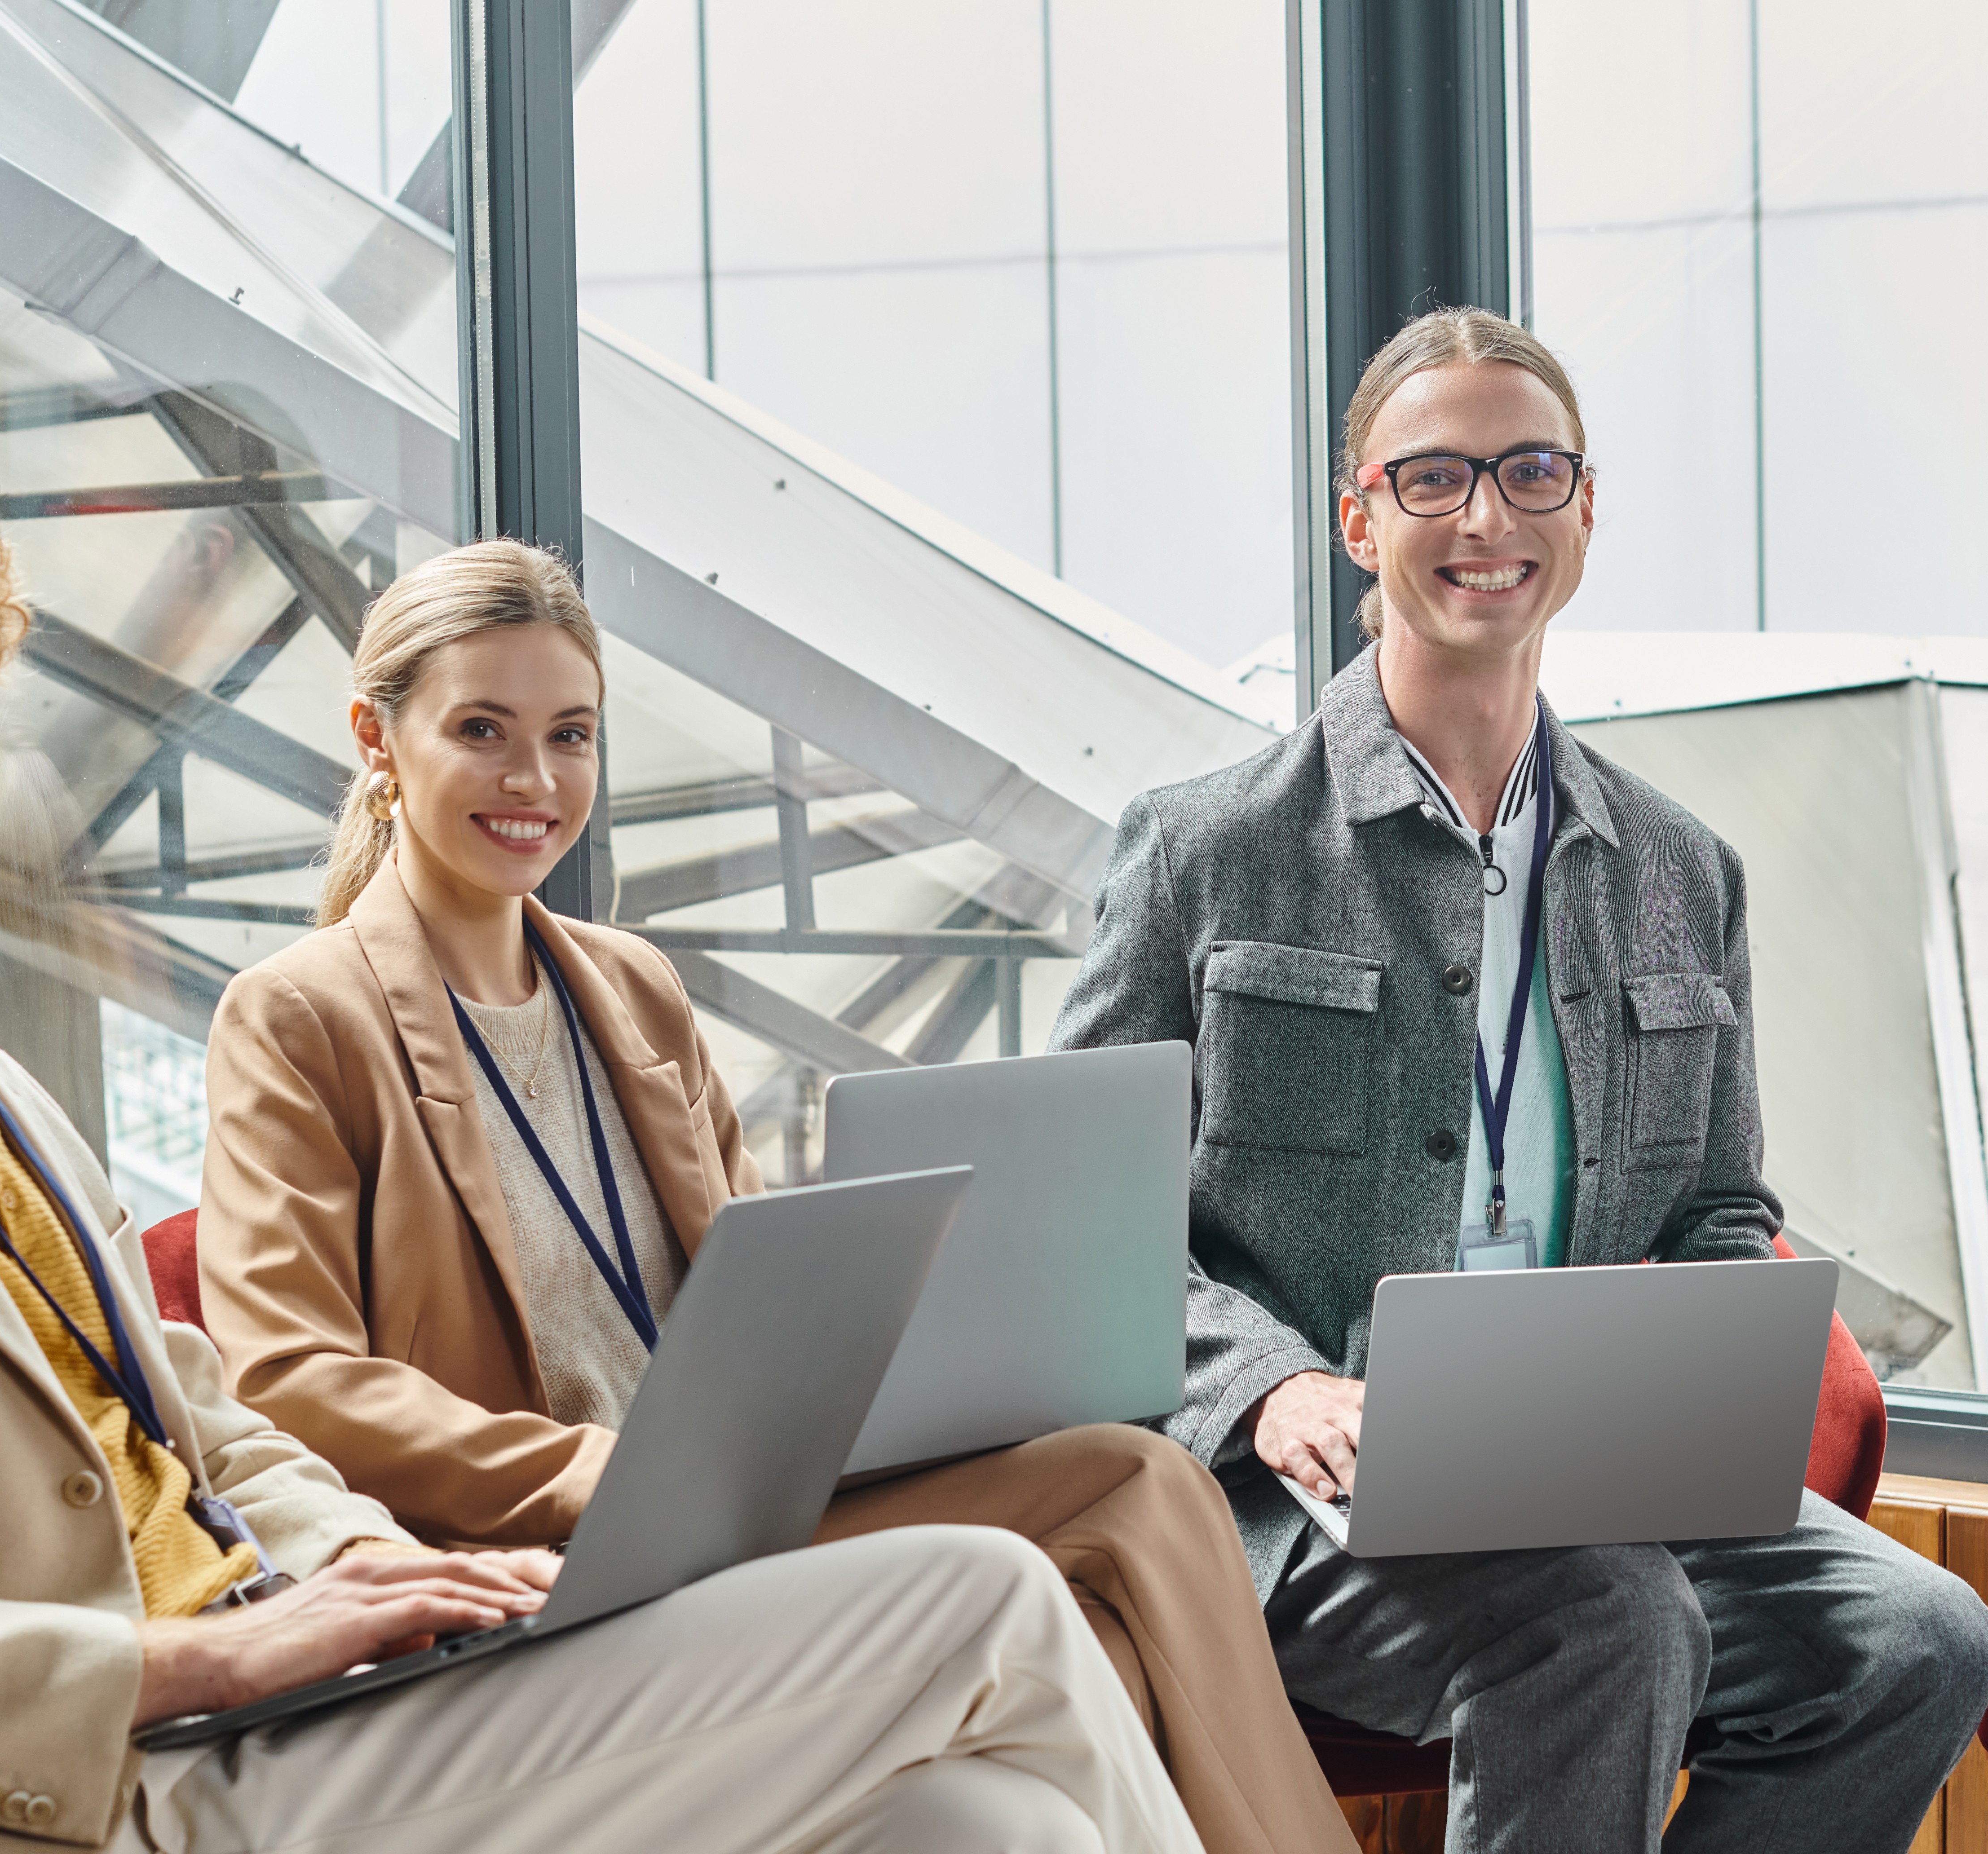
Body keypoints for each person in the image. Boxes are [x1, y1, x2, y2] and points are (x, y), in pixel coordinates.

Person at [0, 422, 1199, 1854]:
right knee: (984, 1599)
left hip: (303, 1703)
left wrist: (373, 1564)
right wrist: (183, 1660)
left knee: (987, 1825)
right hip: (134, 1780)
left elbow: (186, 1406)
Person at [195, 539, 1356, 1854]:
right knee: (1125, 1516)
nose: (535, 781)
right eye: (483, 730)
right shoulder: (300, 1017)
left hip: (746, 1503)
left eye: (571, 736)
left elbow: (761, 1290)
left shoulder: (631, 989)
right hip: (562, 1550)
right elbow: (288, 1380)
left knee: (1124, 1509)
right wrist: (605, 1470)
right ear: (376, 738)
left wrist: (925, 1372)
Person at [1047, 307, 1988, 1854]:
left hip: (1593, 1464)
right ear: (1361, 519)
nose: (1485, 518)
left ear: (1582, 509)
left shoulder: (1688, 872)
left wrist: (1699, 1344)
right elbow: (1078, 1228)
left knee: (1923, 1643)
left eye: (1530, 471)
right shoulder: (1203, 850)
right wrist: (1272, 1386)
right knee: (1603, 1625)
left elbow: (1719, 1204)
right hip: (1293, 1494)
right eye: (1432, 480)